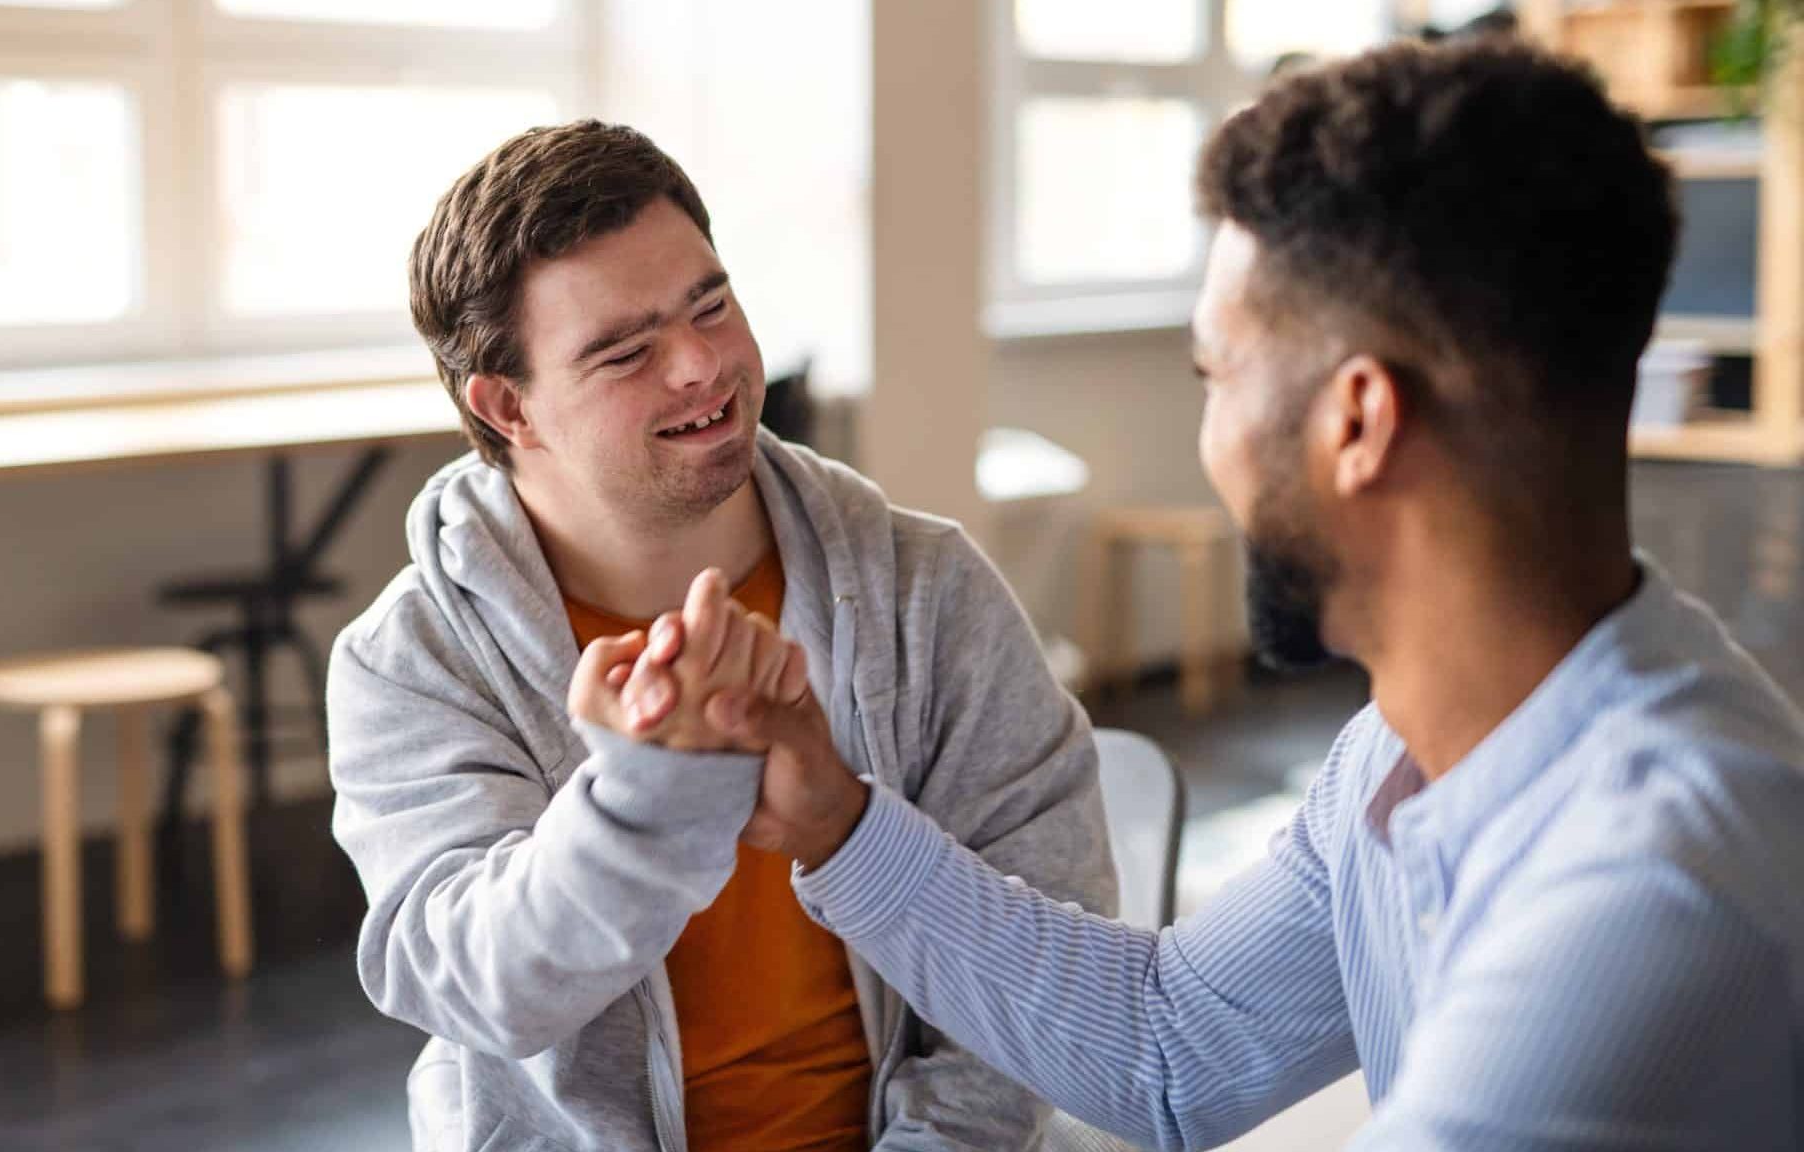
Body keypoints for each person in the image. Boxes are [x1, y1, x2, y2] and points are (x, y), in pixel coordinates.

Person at [597, 39, 1804, 1150]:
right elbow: (1172, 1047)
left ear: (1355, 422)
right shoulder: (1407, 747)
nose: (1207, 434)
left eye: (1215, 373)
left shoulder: (1651, 887)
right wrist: (837, 823)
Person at [326, 119, 1116, 1150]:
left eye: (711, 304)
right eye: (624, 351)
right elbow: (480, 989)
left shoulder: (926, 590)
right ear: (505, 405)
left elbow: (1041, 954)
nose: (702, 365)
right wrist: (648, 799)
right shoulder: (414, 659)